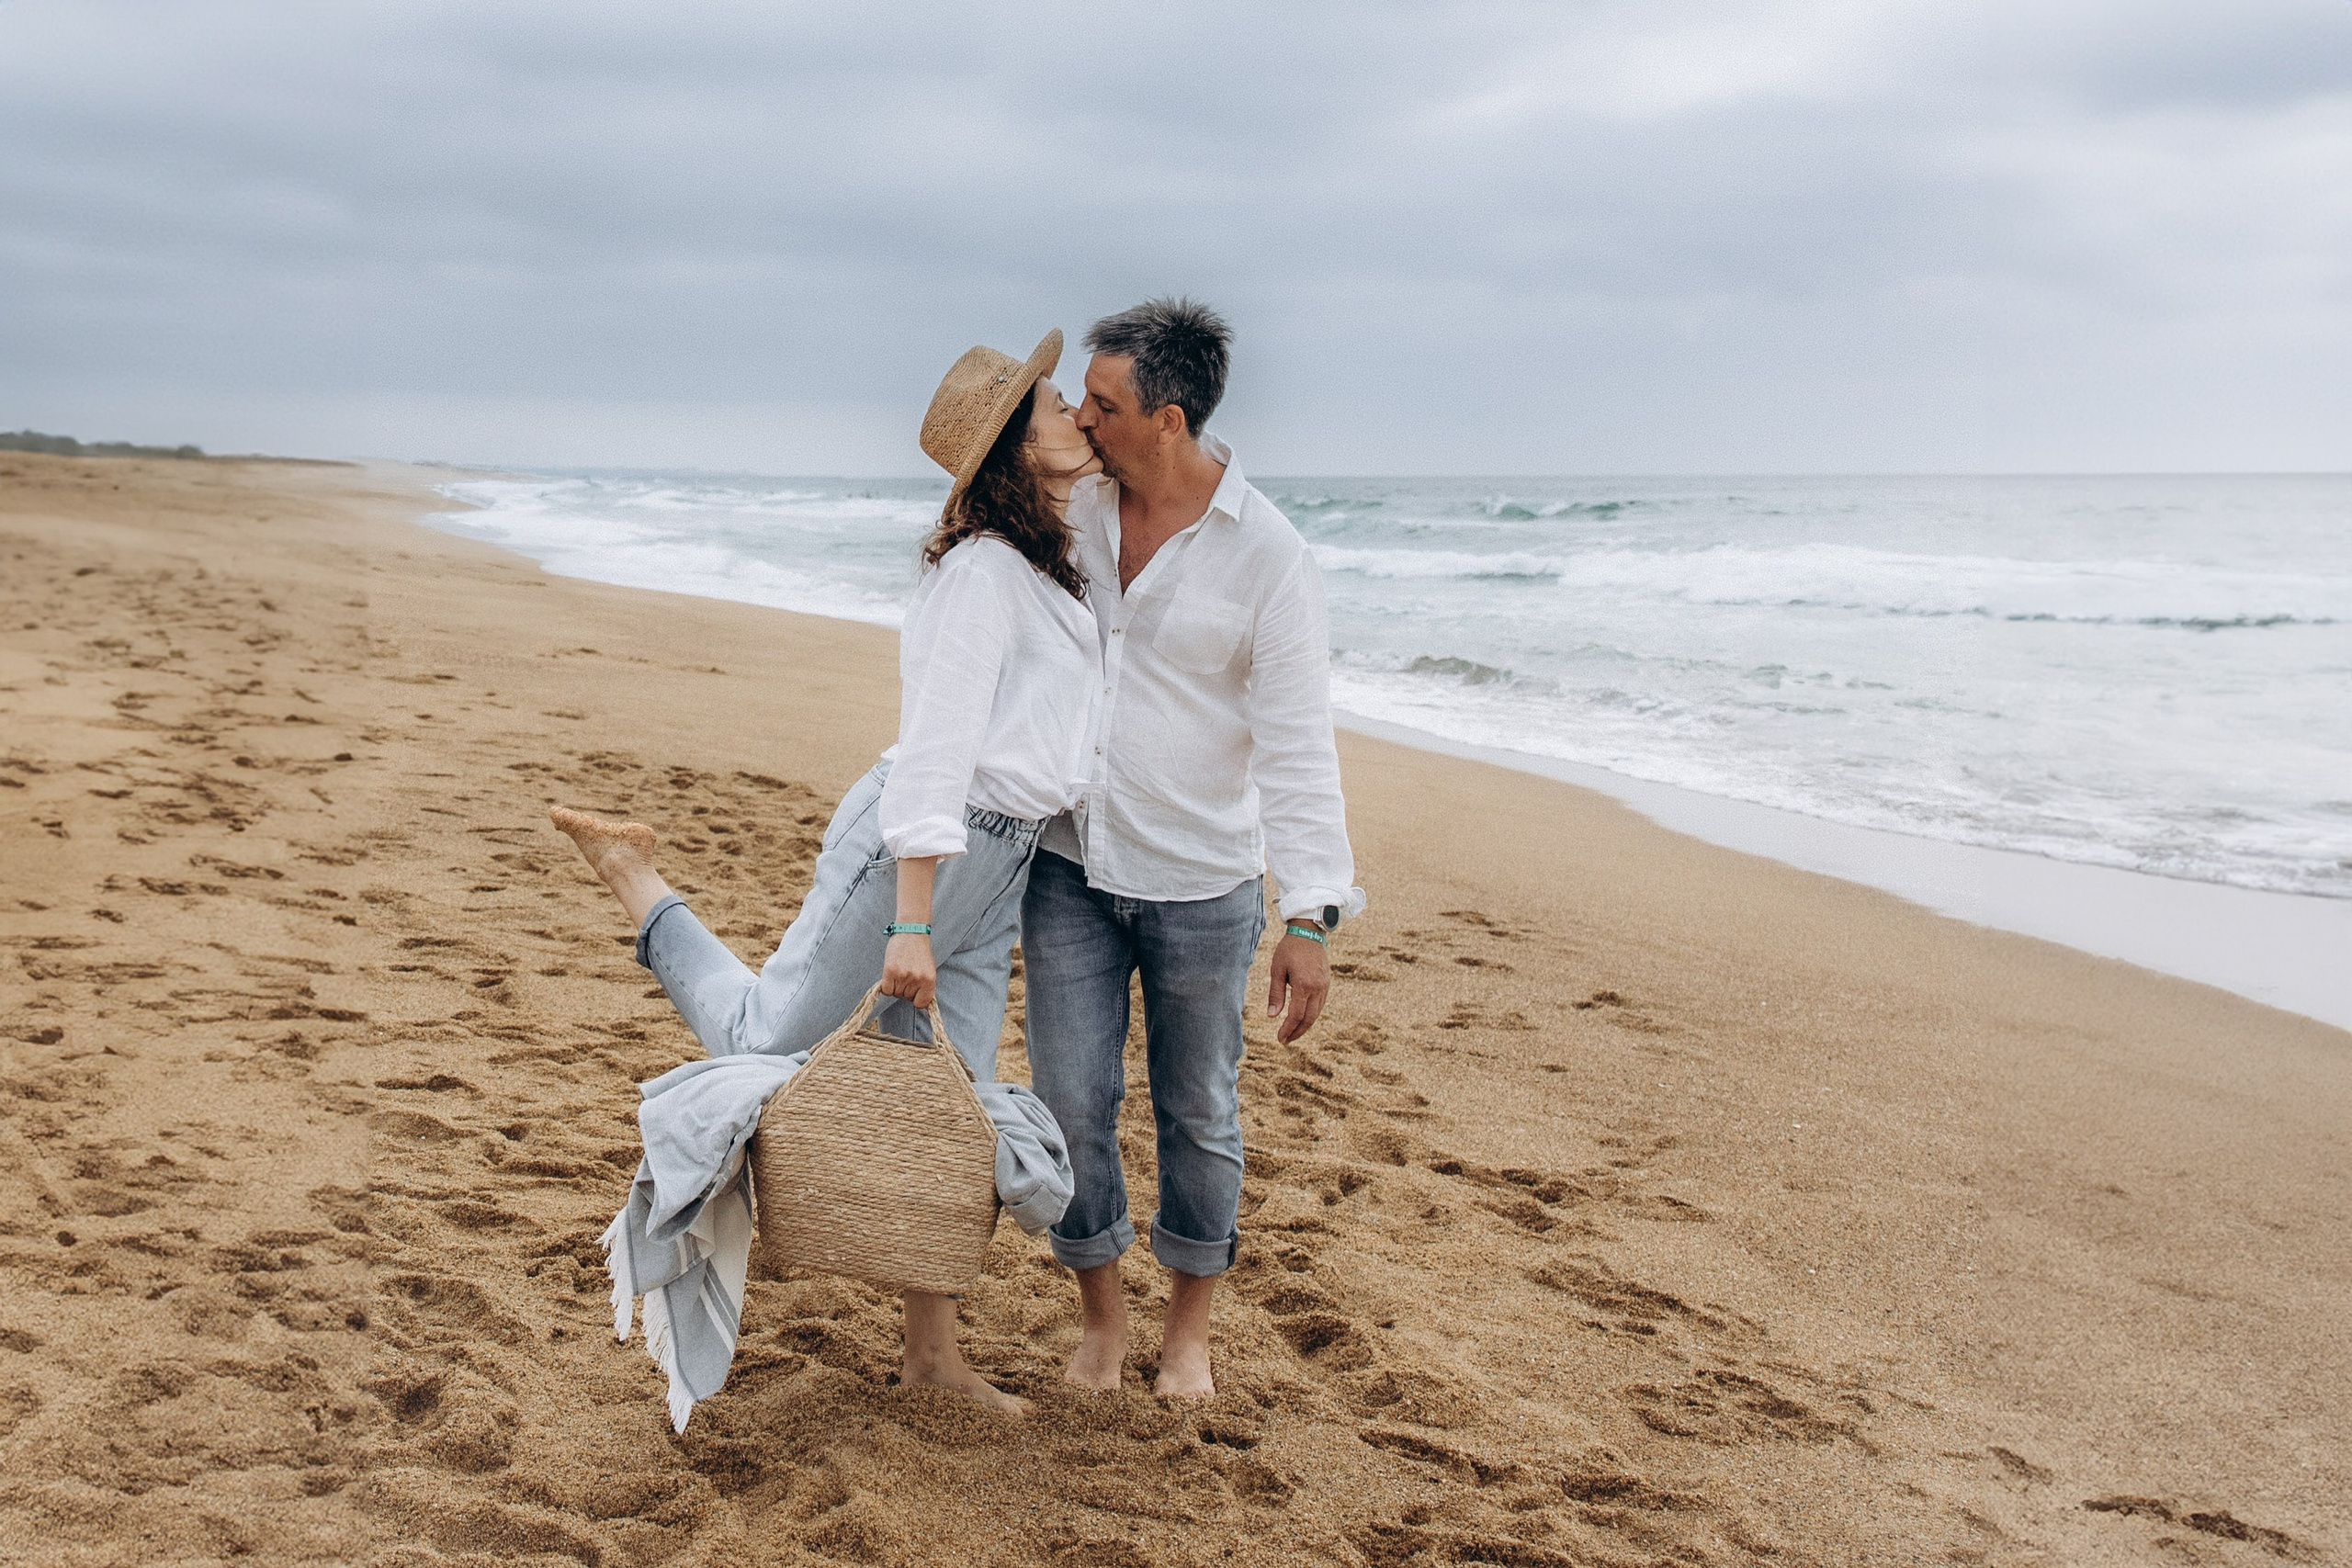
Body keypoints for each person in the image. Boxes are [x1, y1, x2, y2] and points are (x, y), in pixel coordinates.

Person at [552, 330, 1100, 1414]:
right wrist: (909, 922)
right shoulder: (985, 571)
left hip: (1004, 862)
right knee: (767, 1040)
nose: (1079, 409)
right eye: (1054, 403)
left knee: (956, 1109)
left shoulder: (1043, 564)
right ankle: (634, 882)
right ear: (1011, 446)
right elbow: (939, 747)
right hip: (924, 847)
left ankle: (934, 1360)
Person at [1023, 298, 1364, 1399]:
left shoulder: (1267, 556)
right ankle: (1102, 1319)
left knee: (1197, 1109)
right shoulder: (1066, 508)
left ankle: (1187, 1334)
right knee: (1071, 1102)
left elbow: (1298, 744)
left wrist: (1310, 914)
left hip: (1202, 883)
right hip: (1070, 862)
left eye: (1104, 403)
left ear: (1165, 419)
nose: (1083, 416)